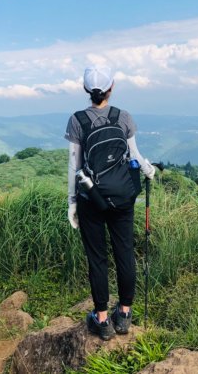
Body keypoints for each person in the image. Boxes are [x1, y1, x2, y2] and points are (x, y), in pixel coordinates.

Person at [65, 65, 155, 340]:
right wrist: (148, 169)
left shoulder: (78, 120)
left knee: (98, 258)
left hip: (91, 198)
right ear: (111, 88)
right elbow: (135, 155)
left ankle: (102, 319)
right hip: (123, 198)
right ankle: (124, 315)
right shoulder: (123, 117)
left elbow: (74, 165)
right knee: (124, 253)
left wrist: (71, 202)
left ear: (85, 90)